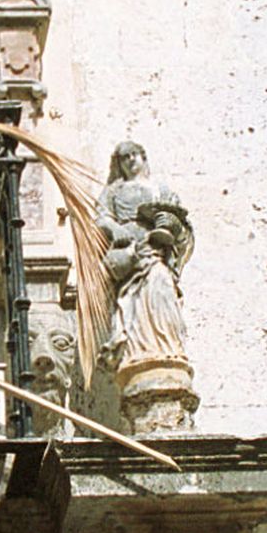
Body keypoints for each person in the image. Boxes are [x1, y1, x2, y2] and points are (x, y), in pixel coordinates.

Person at [96, 142, 194, 372]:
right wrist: (115, 229)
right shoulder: (114, 191)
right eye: (125, 157)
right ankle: (136, 349)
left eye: (134, 155)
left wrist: (172, 226)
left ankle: (165, 346)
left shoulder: (159, 189)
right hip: (129, 252)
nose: (131, 160)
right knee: (132, 300)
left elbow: (181, 224)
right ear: (119, 164)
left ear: (143, 157)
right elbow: (101, 217)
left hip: (155, 252)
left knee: (161, 286)